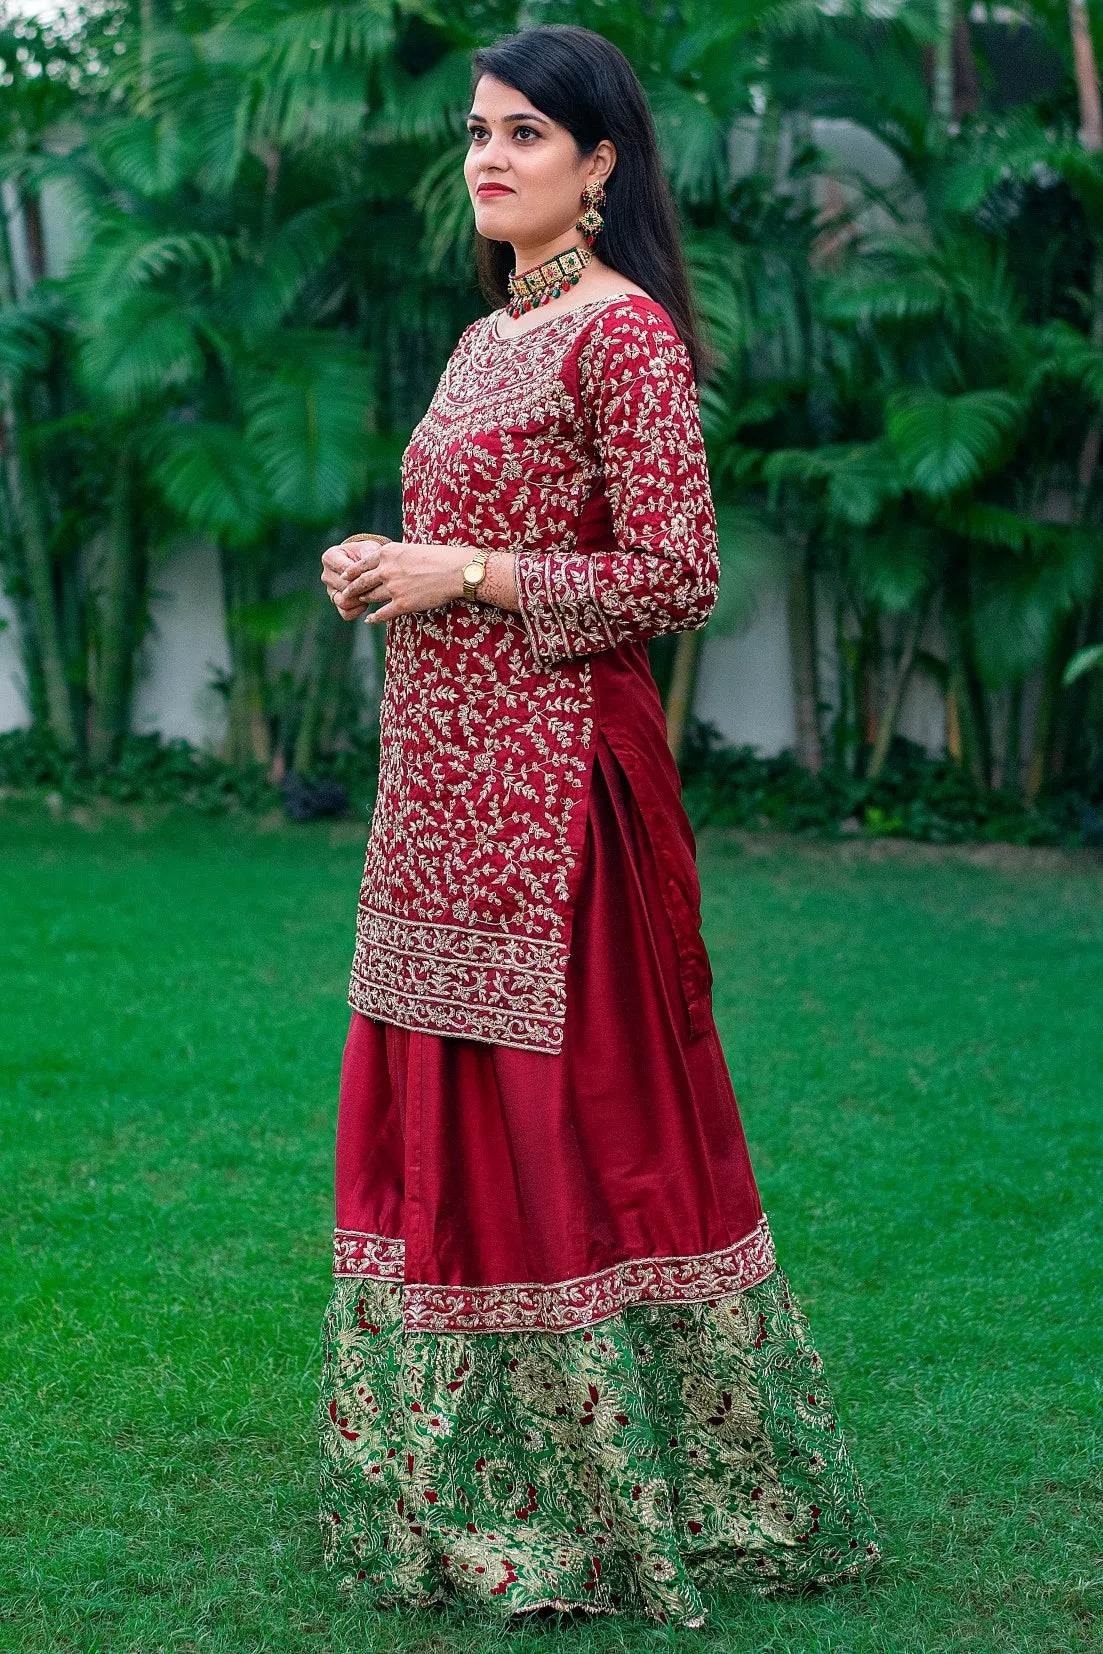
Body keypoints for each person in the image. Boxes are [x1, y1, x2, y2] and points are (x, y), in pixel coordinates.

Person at [315, 22, 879, 1628]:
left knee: (585, 1136)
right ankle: (478, 1482)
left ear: (600, 163)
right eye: (477, 132)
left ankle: (634, 1490)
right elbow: (464, 540)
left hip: (561, 800)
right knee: (451, 1129)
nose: (488, 157)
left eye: (524, 136)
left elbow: (676, 574)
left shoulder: (620, 336)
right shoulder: (490, 330)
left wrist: (465, 575)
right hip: (440, 800)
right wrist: (386, 560)